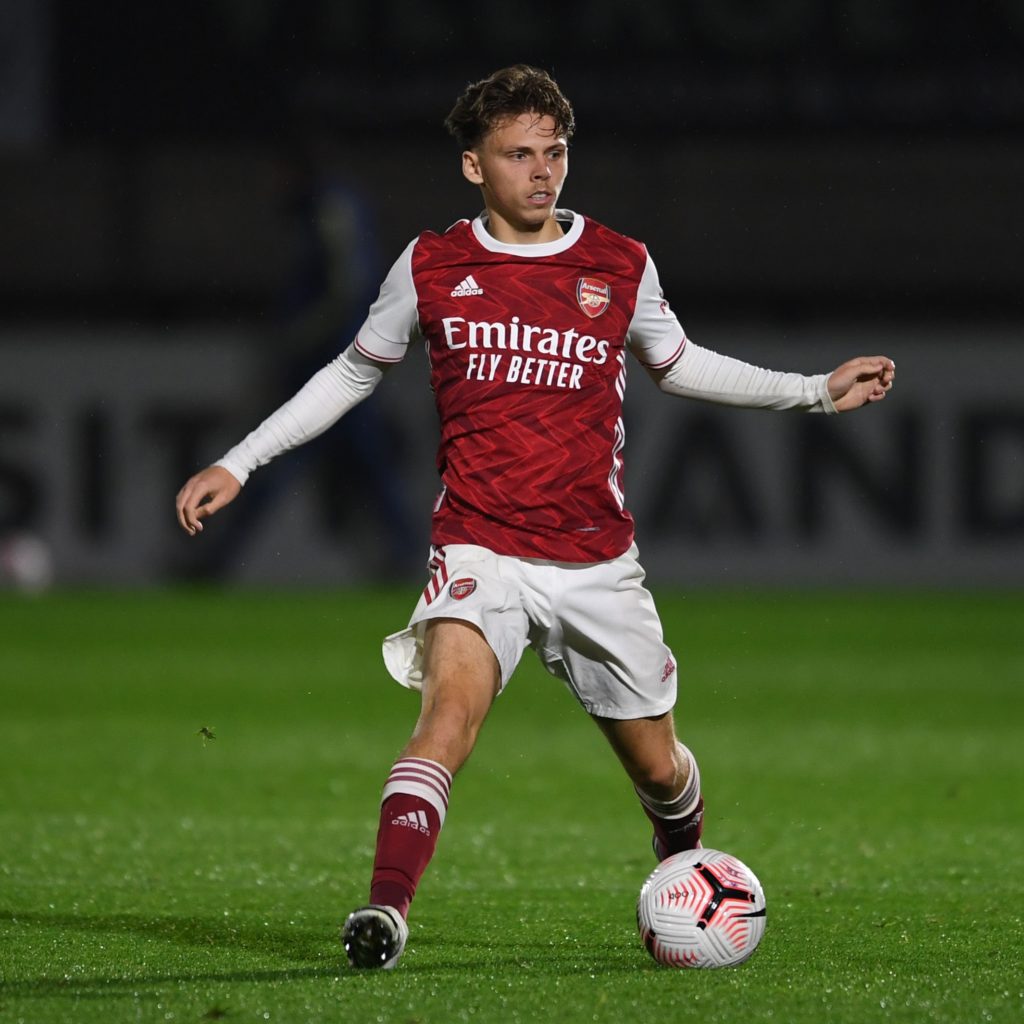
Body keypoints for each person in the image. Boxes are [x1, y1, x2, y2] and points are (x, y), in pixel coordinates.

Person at [175, 65, 895, 970]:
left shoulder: (617, 262)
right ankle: (384, 913)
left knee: (661, 772)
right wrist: (241, 460)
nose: (543, 170)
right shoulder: (432, 265)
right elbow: (355, 370)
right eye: (520, 154)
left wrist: (814, 394)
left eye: (554, 152)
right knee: (446, 724)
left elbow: (681, 364)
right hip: (481, 545)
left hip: (596, 561)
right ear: (474, 165)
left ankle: (684, 868)